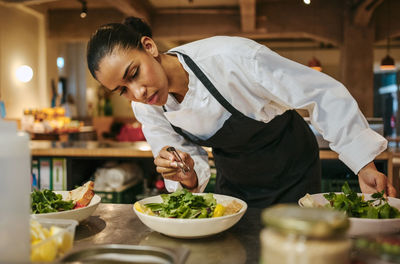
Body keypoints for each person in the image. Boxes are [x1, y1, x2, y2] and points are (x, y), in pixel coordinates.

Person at [86, 17, 396, 208]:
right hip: (235, 179)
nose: (137, 92)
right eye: (123, 90)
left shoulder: (231, 58)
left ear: (150, 46)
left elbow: (320, 93)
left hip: (290, 168)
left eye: (134, 73)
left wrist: (364, 165)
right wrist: (187, 176)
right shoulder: (147, 104)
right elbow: (180, 159)